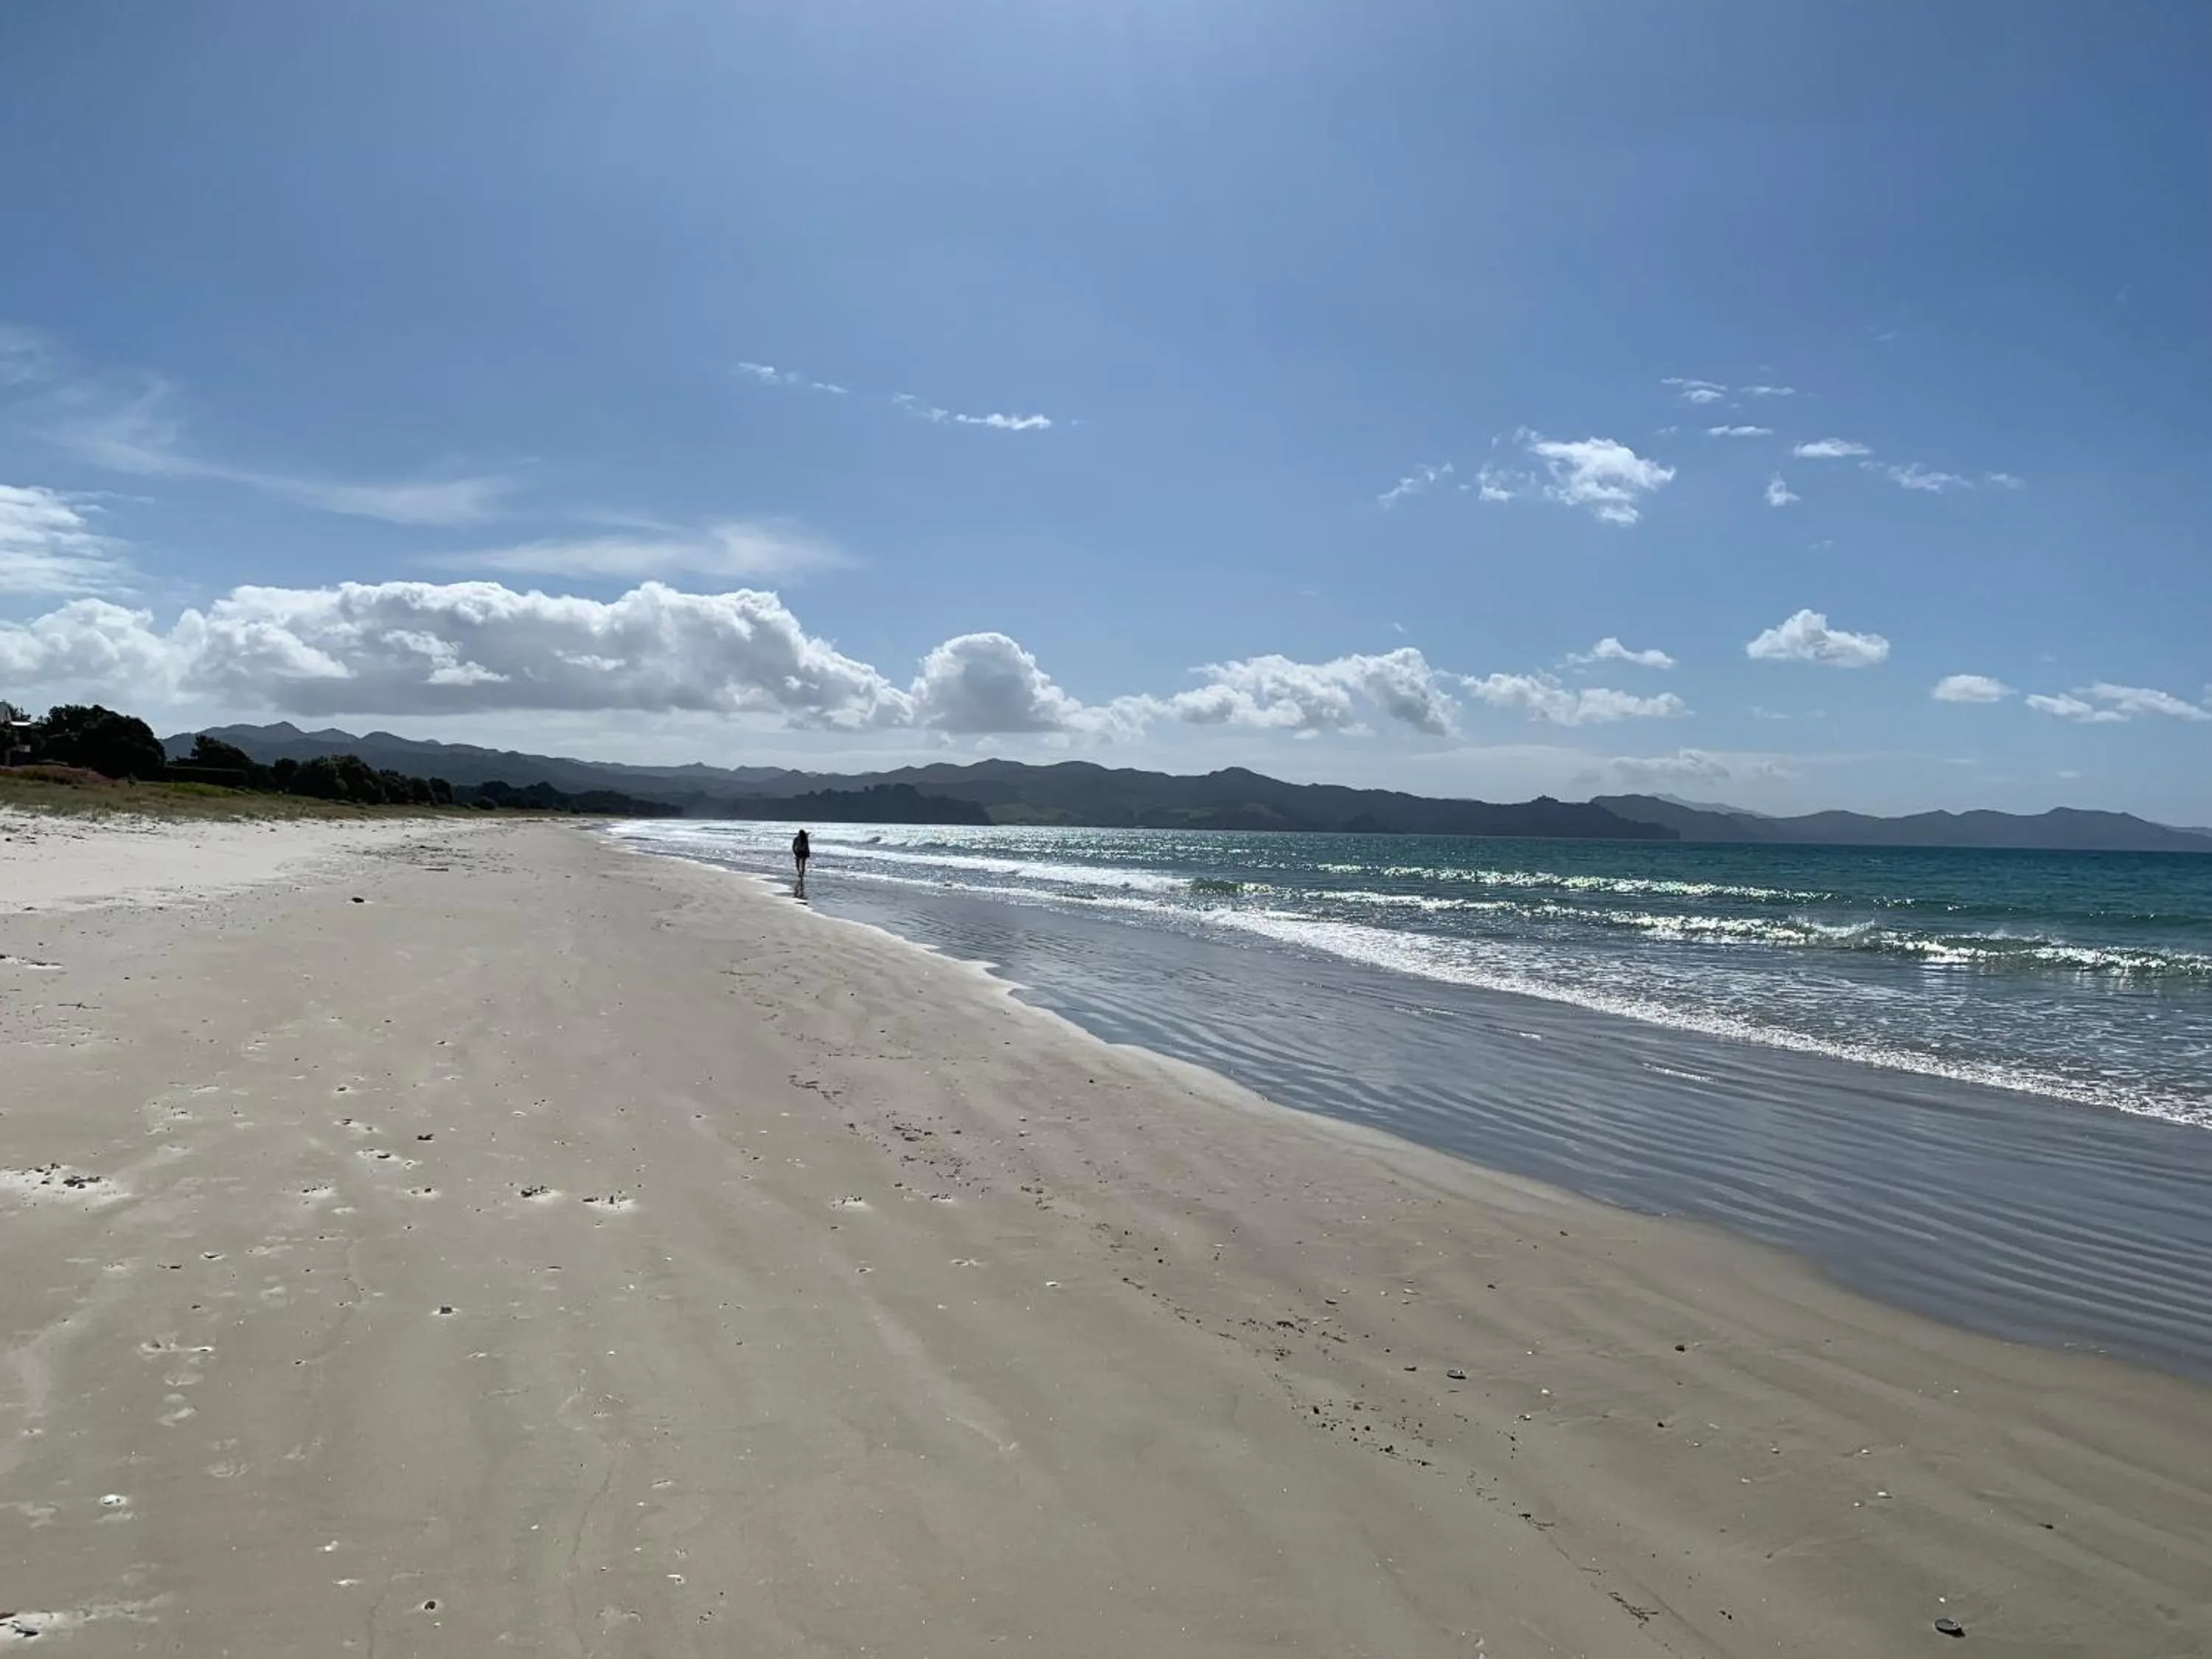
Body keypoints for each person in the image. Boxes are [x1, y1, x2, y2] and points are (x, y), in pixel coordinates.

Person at [791, 827, 810, 897]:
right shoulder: (805, 839)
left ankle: (800, 873)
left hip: (799, 852)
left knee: (798, 864)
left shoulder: (797, 839)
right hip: (803, 853)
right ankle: (802, 875)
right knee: (803, 865)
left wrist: (795, 852)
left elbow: (793, 846)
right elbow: (807, 847)